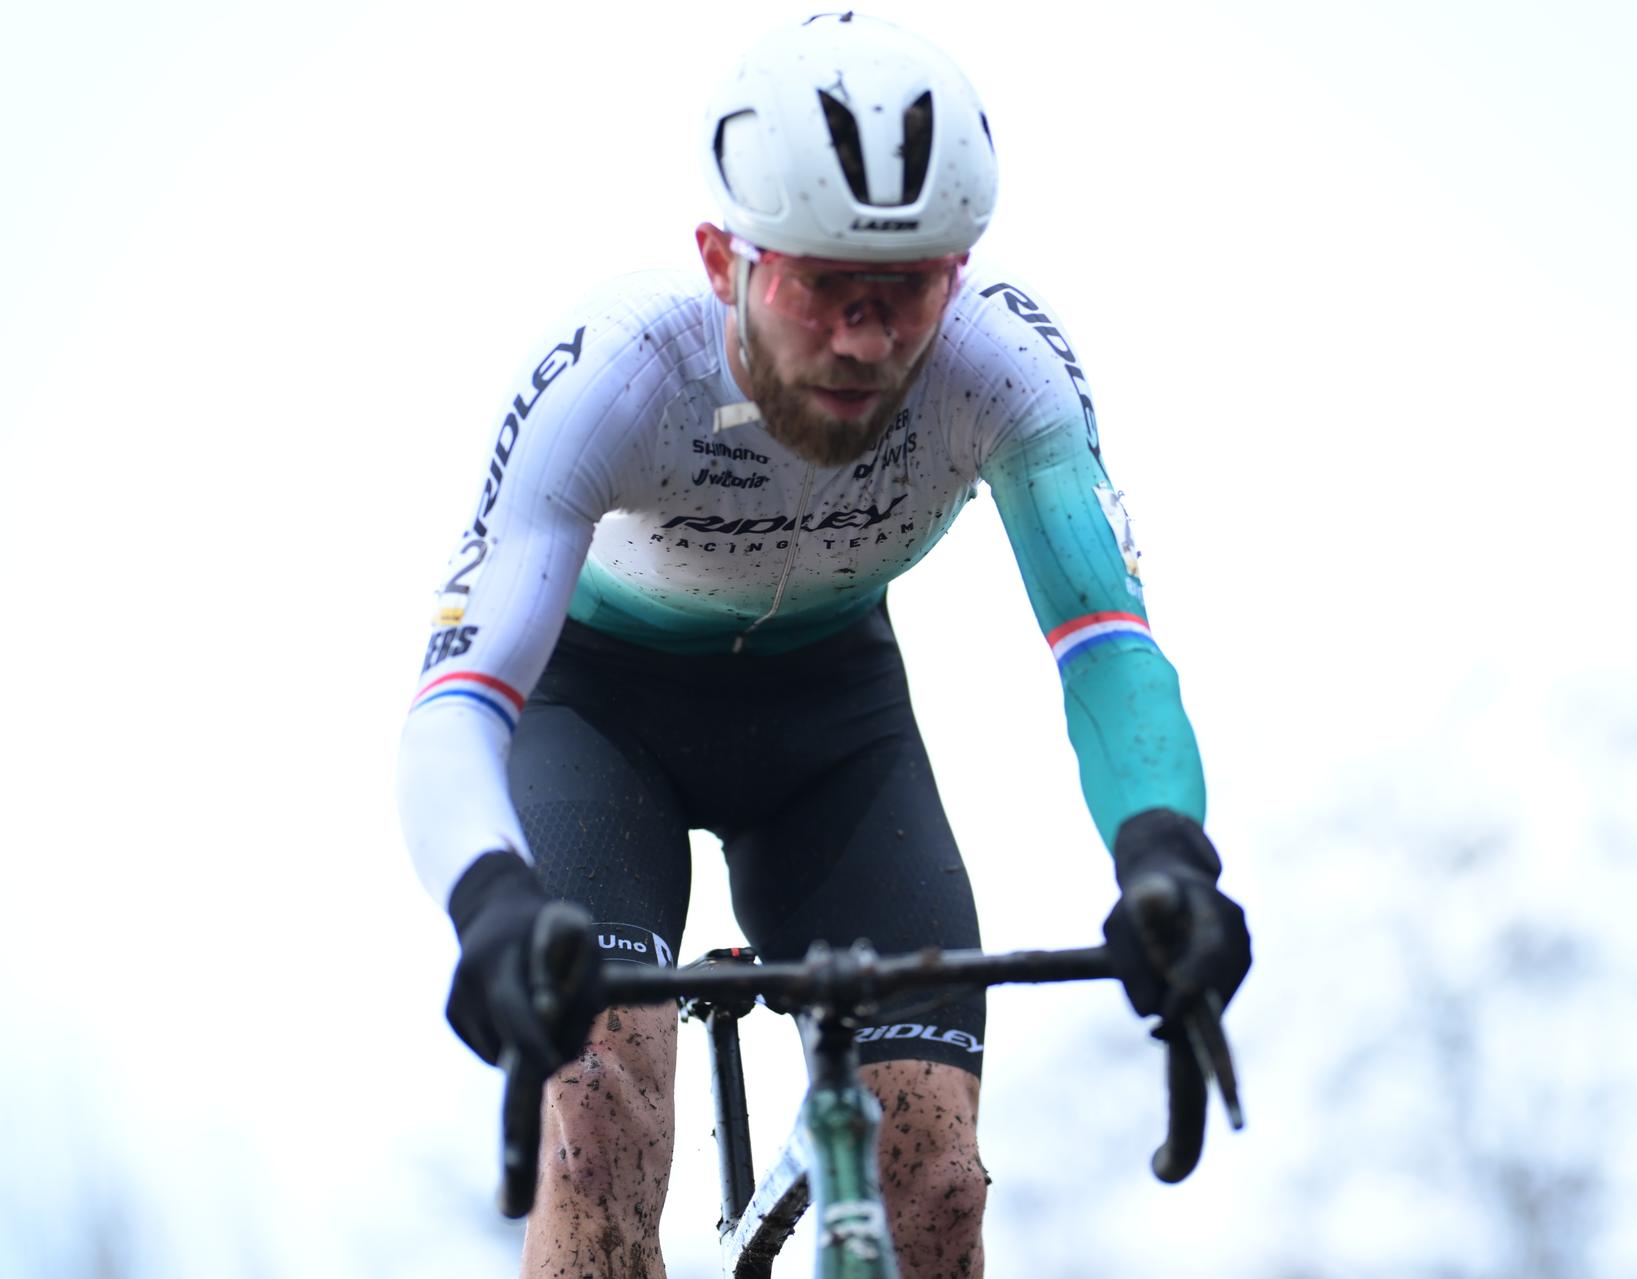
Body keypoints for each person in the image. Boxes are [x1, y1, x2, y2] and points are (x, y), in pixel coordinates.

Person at [396, 12, 1250, 1277]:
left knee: (937, 1180)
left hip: (831, 732)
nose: (864, 338)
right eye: (820, 288)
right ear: (721, 258)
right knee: (600, 1124)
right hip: (600, 721)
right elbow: (459, 697)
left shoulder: (1002, 374)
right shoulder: (619, 374)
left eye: (904, 291)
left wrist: (1165, 853)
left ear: (957, 274)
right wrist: (490, 900)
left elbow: (1105, 642)